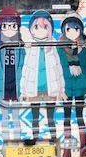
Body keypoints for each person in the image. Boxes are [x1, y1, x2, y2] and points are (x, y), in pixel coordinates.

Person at [19, 10, 66, 140]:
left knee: (51, 118)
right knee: (35, 117)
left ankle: (53, 139)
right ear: (31, 30)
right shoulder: (30, 47)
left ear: (50, 29)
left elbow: (58, 69)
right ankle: (34, 138)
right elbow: (26, 70)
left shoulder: (53, 46)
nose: (41, 30)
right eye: (36, 27)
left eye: (45, 27)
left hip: (51, 89)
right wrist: (23, 91)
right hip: (34, 89)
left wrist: (61, 90)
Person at [57, 12, 86, 157]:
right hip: (66, 87)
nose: (72, 33)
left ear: (80, 31)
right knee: (66, 118)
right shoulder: (59, 48)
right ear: (64, 30)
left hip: (80, 87)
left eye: (76, 29)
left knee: (79, 116)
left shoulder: (82, 49)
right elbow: (57, 69)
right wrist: (59, 89)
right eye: (69, 29)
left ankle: (83, 148)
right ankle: (67, 150)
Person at [0, 7, 26, 139]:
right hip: (2, 88)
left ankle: (17, 141)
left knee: (16, 118)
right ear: (0, 28)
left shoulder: (21, 47)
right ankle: (6, 144)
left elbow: (25, 67)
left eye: (13, 26)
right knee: (5, 119)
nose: (9, 30)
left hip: (17, 87)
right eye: (5, 26)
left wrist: (25, 89)